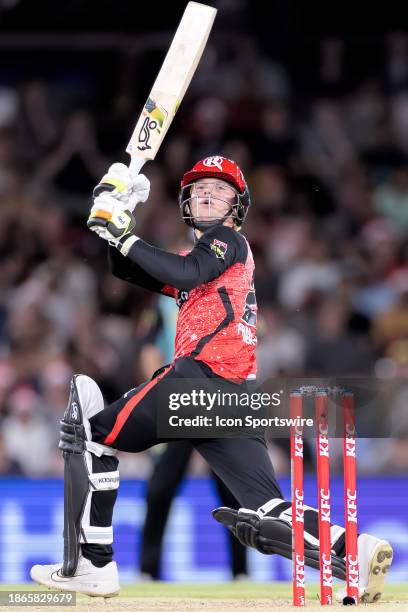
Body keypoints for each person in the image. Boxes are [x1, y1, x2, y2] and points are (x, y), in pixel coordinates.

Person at [30, 156, 392, 602]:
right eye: (198, 187)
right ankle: (358, 547)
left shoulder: (226, 243)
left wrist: (124, 231)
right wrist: (114, 217)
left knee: (94, 436)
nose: (206, 192)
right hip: (234, 397)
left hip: (198, 380)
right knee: (267, 508)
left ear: (237, 206)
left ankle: (94, 565)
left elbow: (182, 271)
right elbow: (128, 269)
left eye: (219, 189)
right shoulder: (204, 264)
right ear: (185, 201)